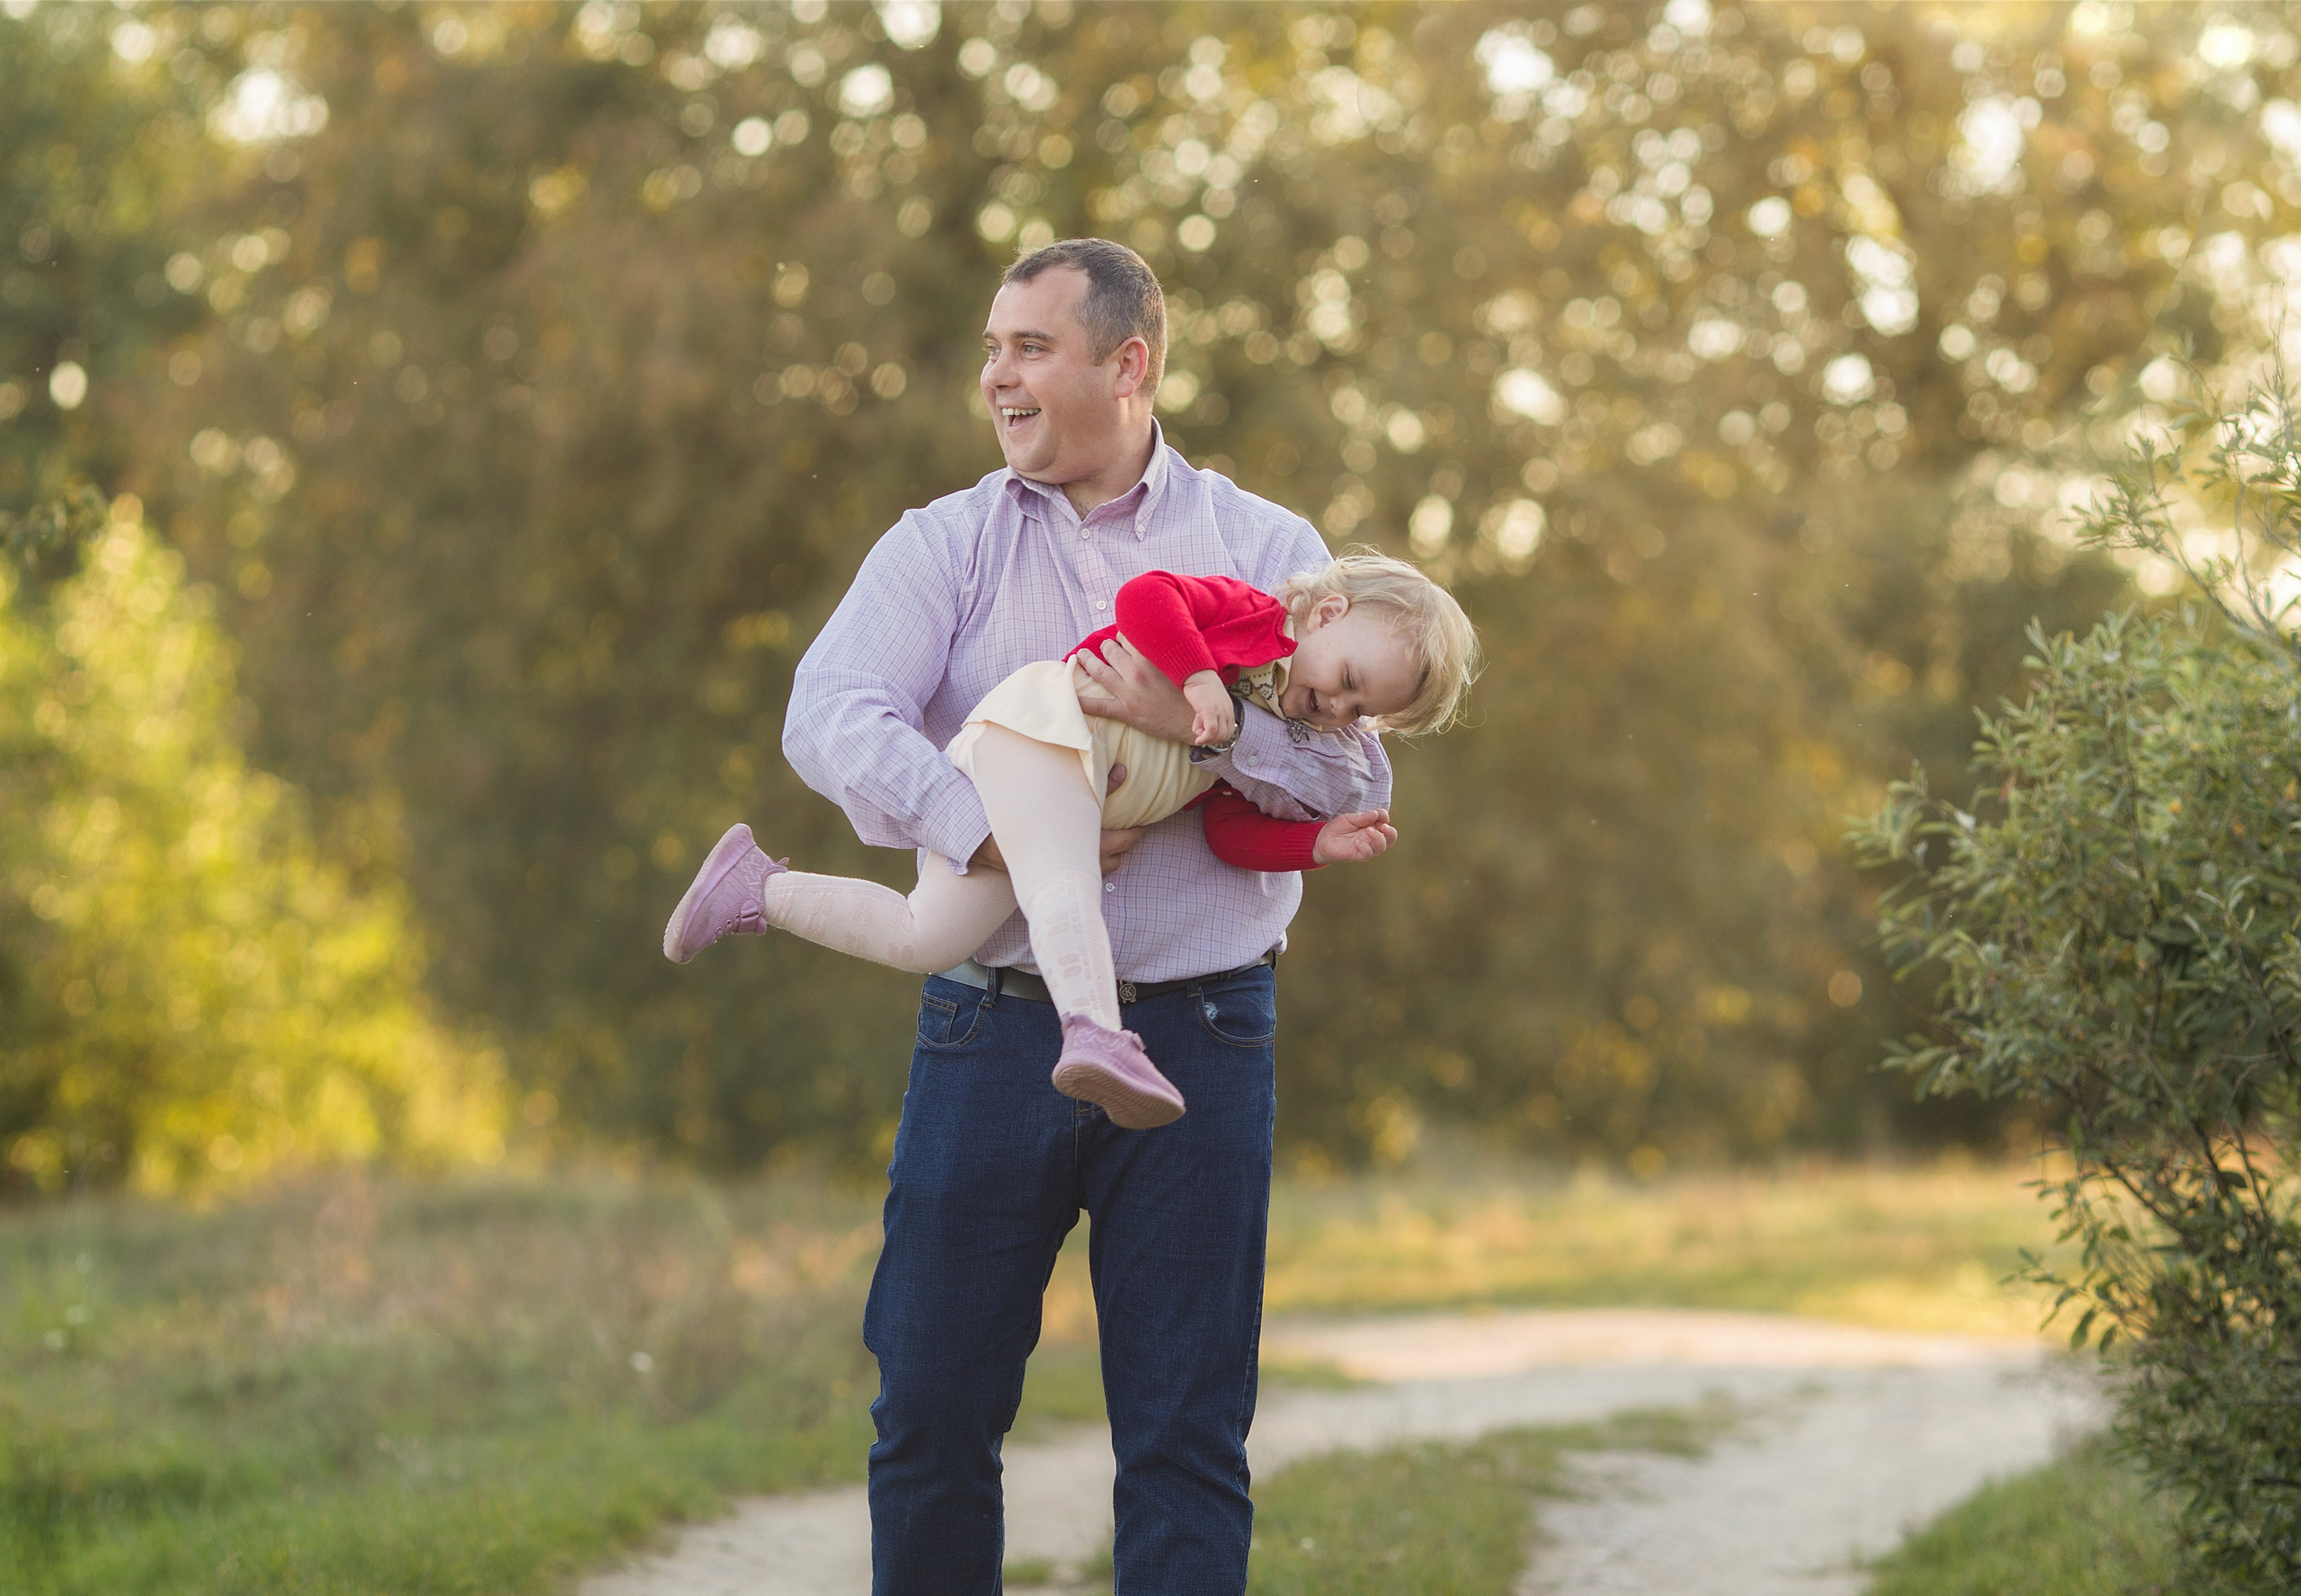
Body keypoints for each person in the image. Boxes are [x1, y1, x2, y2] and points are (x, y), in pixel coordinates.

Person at [768, 237, 1399, 1594]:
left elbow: (1359, 775)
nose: (997, 377)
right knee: (930, 1413)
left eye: (1030, 348)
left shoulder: (1264, 548)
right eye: (992, 349)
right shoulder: (946, 542)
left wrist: (1197, 725)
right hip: (989, 1032)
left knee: (1185, 1435)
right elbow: (829, 714)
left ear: (1129, 363)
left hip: (1203, 1035)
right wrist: (992, 830)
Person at [663, 555, 1476, 1130]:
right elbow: (1147, 598)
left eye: (1362, 714)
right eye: (1348, 683)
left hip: (1055, 796)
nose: (1339, 711)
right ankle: (1094, 1031)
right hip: (1045, 729)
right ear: (1326, 616)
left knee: (926, 937)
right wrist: (1198, 680)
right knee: (1064, 880)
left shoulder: (1263, 736)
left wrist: (1314, 845)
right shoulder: (1250, 619)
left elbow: (1228, 833)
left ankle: (754, 888)